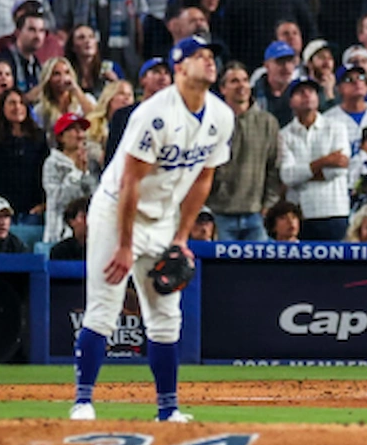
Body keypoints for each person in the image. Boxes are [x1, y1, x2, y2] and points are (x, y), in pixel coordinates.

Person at [70, 34, 234, 423]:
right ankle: (83, 401)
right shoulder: (154, 114)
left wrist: (181, 237)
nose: (209, 61)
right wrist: (125, 246)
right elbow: (130, 182)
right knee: (104, 308)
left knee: (166, 315)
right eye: (199, 56)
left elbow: (203, 180)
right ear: (180, 68)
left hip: (163, 220)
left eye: (212, 55)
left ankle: (168, 410)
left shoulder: (221, 116)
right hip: (117, 212)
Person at [207, 62, 280, 242]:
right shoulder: (211, 122)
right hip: (219, 214)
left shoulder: (267, 123)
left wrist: (268, 205)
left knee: (258, 270)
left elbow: (274, 166)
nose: (241, 86)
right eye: (234, 81)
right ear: (223, 88)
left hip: (255, 215)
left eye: (245, 80)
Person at [279, 78, 351, 240]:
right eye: (300, 92)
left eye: (311, 91)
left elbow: (338, 169)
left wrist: (302, 174)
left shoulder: (337, 127)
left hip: (335, 211)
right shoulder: (284, 135)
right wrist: (324, 161)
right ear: (291, 101)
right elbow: (288, 176)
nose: (306, 95)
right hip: (302, 213)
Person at [0, 90, 50, 221]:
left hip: (33, 208)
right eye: (12, 103)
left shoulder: (38, 136)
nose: (17, 107)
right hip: (1, 208)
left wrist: (43, 205)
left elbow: (45, 173)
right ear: (2, 107)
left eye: (21, 103)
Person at [42, 113, 99, 243]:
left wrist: (85, 174)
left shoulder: (90, 162)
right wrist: (77, 173)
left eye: (82, 129)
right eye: (74, 129)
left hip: (88, 232)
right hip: (59, 233)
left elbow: (94, 196)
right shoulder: (52, 163)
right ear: (61, 137)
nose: (80, 134)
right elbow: (58, 199)